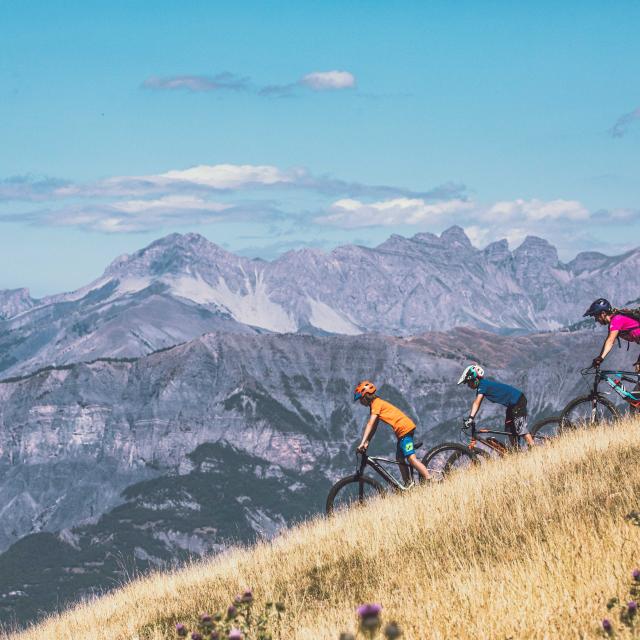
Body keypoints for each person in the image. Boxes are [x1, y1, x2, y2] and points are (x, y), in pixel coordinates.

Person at [353, 380, 430, 484]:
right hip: (402, 432)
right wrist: (367, 441)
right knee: (399, 459)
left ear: (365, 396)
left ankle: (430, 480)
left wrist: (362, 443)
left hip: (404, 430)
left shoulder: (376, 404)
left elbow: (370, 424)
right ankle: (408, 485)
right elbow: (374, 426)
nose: (360, 403)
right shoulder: (375, 405)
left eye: (360, 399)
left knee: (411, 459)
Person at [457, 364, 535, 447]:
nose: (468, 386)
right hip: (512, 405)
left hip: (518, 401)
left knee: (520, 429)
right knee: (509, 430)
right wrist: (471, 418)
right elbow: (477, 403)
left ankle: (534, 448)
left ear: (475, 379)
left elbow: (477, 402)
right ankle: (517, 451)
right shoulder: (482, 386)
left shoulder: (483, 384)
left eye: (469, 383)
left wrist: (470, 418)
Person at [583, 298, 640, 369]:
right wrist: (599, 358)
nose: (596, 320)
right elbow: (608, 341)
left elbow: (610, 341)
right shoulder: (614, 321)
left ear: (603, 313)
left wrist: (600, 358)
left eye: (596, 316)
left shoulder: (616, 320)